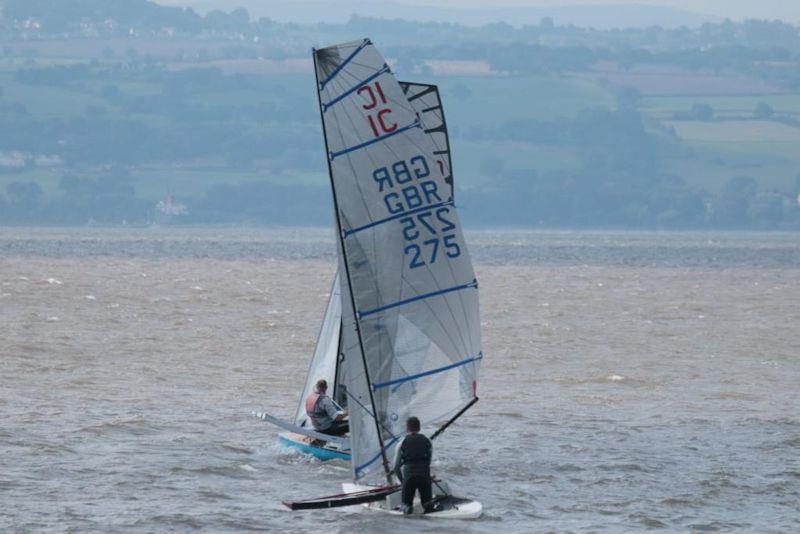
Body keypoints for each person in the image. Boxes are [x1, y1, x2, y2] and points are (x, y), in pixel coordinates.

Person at [393, 416, 434, 515]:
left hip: (409, 477)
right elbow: (429, 462)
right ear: (419, 428)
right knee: (428, 504)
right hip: (424, 476)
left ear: (407, 429)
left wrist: (402, 481)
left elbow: (396, 467)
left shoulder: (401, 443)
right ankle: (428, 507)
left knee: (406, 506)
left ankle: (407, 511)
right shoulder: (428, 441)